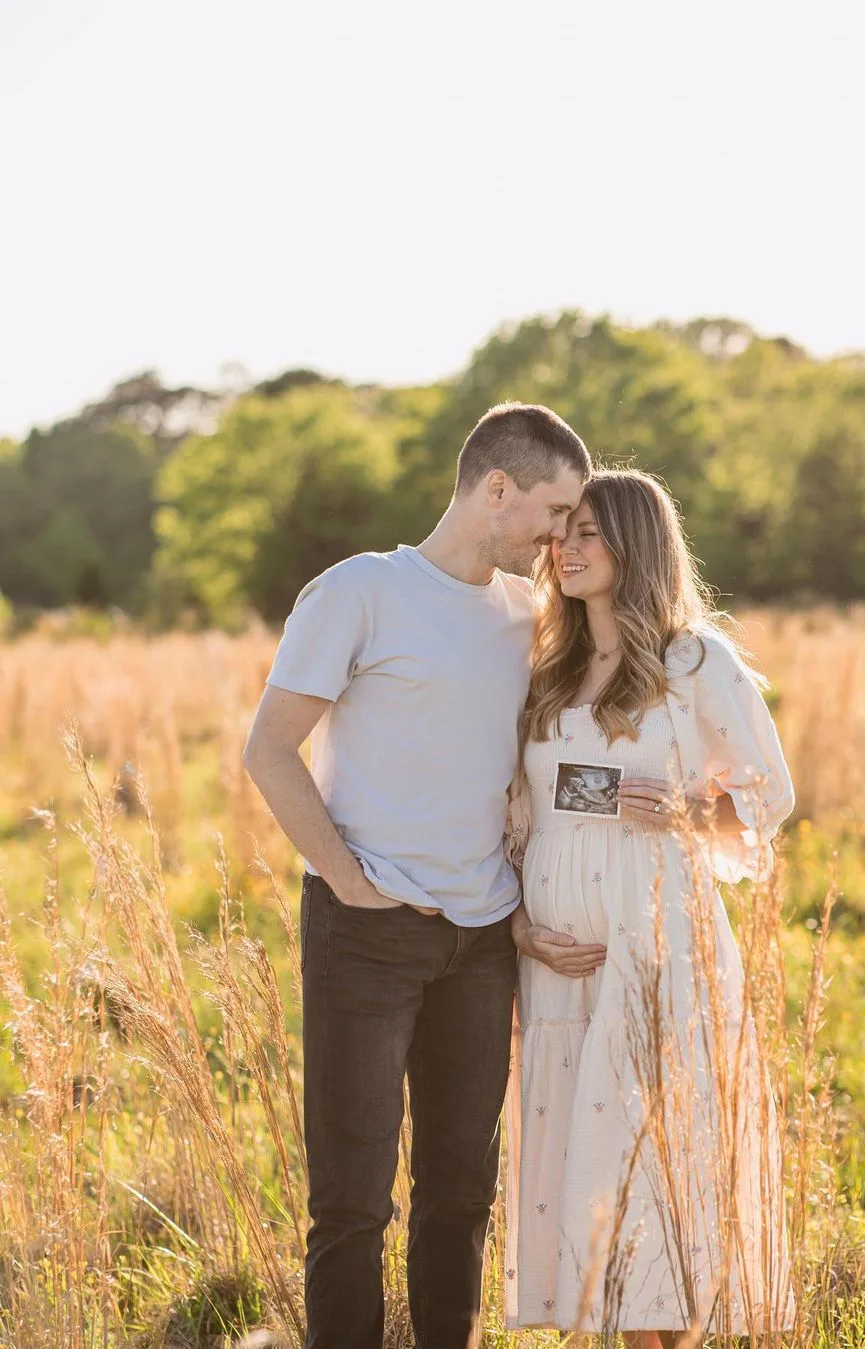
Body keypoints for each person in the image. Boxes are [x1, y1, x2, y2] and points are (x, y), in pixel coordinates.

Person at [242, 402, 591, 1349]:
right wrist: (350, 882)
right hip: (369, 931)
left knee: (461, 1194)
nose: (562, 534)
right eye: (555, 510)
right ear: (497, 489)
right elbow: (268, 749)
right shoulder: (359, 593)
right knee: (352, 1200)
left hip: (483, 940)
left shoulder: (526, 615)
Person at [504, 469, 797, 1346]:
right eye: (563, 530)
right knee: (578, 1160)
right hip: (557, 954)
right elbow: (520, 812)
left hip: (655, 933)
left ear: (638, 545)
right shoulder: (544, 664)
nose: (568, 546)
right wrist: (521, 926)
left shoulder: (693, 658)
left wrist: (690, 809)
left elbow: (769, 794)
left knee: (650, 1154)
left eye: (590, 531)